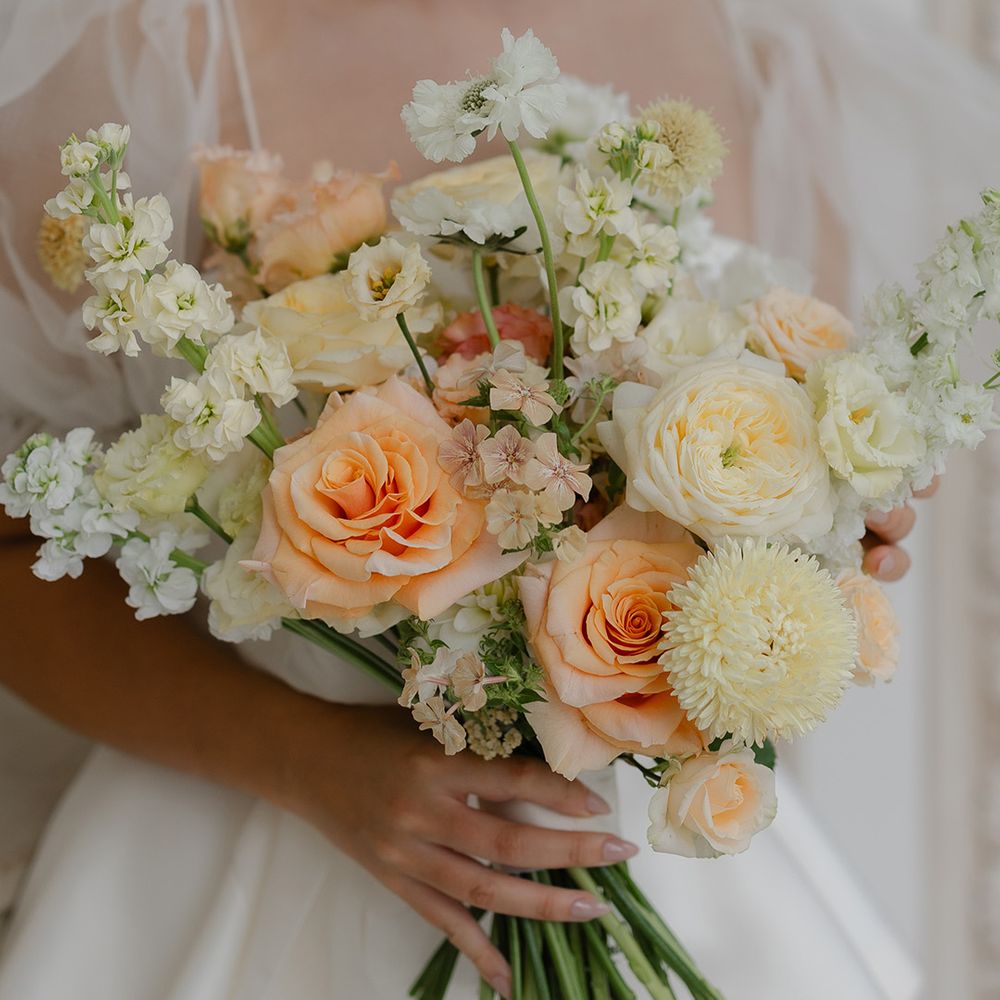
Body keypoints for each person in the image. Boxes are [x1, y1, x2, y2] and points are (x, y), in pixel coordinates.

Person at [0, 1, 985, 997]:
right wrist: (308, 761)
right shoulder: (151, 52)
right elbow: (13, 561)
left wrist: (827, 527)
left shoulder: (763, 52)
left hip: (644, 850)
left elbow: (810, 438)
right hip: (252, 836)